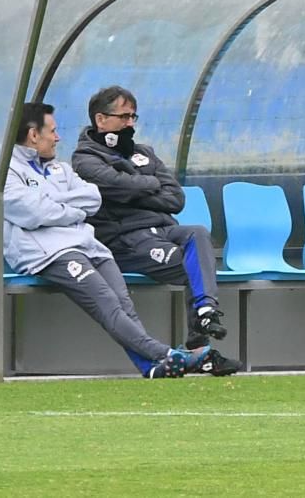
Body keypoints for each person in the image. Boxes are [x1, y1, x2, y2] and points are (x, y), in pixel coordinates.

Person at [0, 102, 219, 379]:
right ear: (34, 135)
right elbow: (33, 212)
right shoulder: (3, 172)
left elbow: (93, 199)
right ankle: (166, 354)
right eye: (53, 131)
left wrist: (56, 205)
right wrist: (69, 208)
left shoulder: (60, 169)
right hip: (48, 253)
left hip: (88, 245)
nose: (58, 137)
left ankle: (152, 367)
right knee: (107, 302)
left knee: (123, 303)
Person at [71, 86, 240, 376]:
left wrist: (131, 189)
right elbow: (115, 186)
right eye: (123, 117)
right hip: (125, 240)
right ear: (101, 120)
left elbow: (175, 198)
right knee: (195, 267)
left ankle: (205, 312)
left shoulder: (144, 152)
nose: (130, 124)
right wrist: (147, 184)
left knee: (197, 233)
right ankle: (200, 350)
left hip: (163, 228)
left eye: (133, 117)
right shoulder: (85, 159)